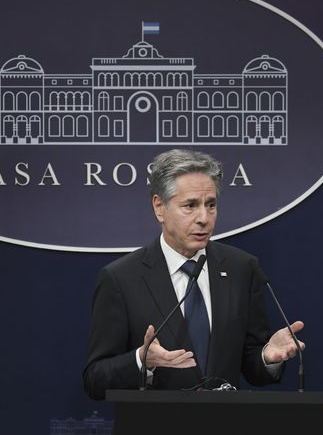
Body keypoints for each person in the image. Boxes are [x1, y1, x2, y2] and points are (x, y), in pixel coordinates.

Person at [83, 148, 305, 398]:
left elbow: (252, 369)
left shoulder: (241, 268)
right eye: (190, 205)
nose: (204, 218)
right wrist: (141, 360)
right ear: (159, 207)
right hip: (151, 434)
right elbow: (95, 379)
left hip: (227, 434)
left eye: (211, 205)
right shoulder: (121, 278)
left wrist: (267, 357)